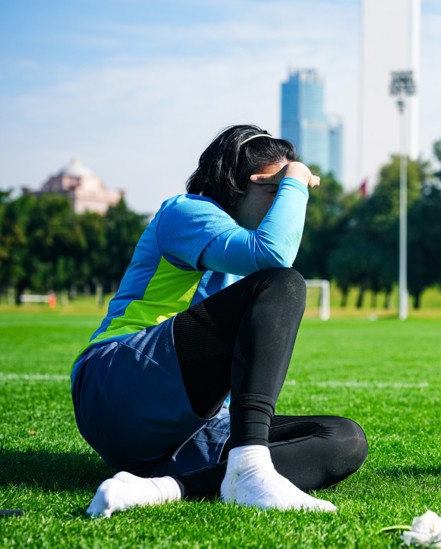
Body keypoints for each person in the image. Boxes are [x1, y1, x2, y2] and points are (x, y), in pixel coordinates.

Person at [71, 125, 368, 518]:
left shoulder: (239, 251)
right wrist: (296, 179)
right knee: (284, 284)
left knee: (343, 440)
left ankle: (163, 489)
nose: (283, 204)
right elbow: (274, 257)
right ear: (238, 184)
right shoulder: (185, 211)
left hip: (182, 429)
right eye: (274, 191)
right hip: (114, 383)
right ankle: (249, 466)